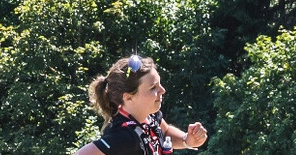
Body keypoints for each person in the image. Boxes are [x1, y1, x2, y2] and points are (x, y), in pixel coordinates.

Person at [72, 55, 209, 155]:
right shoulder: (123, 136)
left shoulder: (150, 116)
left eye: (159, 84)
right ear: (128, 97)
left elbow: (165, 132)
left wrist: (187, 140)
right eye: (153, 88)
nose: (162, 90)